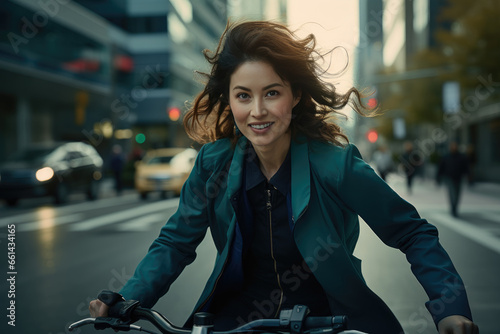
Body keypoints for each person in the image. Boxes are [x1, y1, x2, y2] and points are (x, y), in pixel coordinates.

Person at [89, 21, 478, 334]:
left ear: (294, 95)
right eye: (243, 96)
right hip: (232, 321)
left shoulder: (336, 166)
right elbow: (176, 241)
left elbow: (412, 233)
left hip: (328, 321)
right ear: (229, 99)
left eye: (271, 93)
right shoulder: (213, 163)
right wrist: (128, 298)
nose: (257, 111)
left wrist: (450, 309)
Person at [437, 142, 470, 217]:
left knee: (457, 194)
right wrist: (438, 178)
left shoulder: (461, 157)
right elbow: (441, 168)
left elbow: (466, 167)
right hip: (449, 178)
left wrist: (468, 176)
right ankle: (453, 209)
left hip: (459, 178)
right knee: (452, 194)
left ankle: (455, 208)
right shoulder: (446, 157)